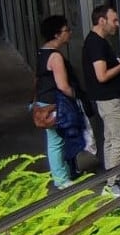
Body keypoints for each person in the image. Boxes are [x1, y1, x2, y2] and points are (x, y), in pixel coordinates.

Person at [84, 4, 120, 193]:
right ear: (101, 21)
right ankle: (112, 183)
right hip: (110, 99)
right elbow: (102, 75)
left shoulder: (97, 41)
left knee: (111, 140)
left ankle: (114, 177)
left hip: (107, 99)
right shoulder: (96, 44)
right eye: (114, 20)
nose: (118, 24)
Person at [33, 15, 85, 188]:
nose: (69, 33)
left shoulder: (42, 51)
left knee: (57, 140)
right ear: (56, 34)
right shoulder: (55, 57)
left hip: (43, 102)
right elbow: (63, 86)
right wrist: (74, 96)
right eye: (66, 30)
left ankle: (65, 173)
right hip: (54, 104)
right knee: (57, 141)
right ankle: (61, 179)